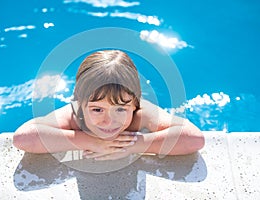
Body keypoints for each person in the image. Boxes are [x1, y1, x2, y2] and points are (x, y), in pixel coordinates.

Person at [13, 49, 204, 160]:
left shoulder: (141, 114)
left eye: (120, 109)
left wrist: (135, 145)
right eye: (97, 109)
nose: (108, 120)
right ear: (79, 103)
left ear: (135, 103)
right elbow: (23, 139)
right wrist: (88, 141)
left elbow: (194, 140)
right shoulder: (73, 115)